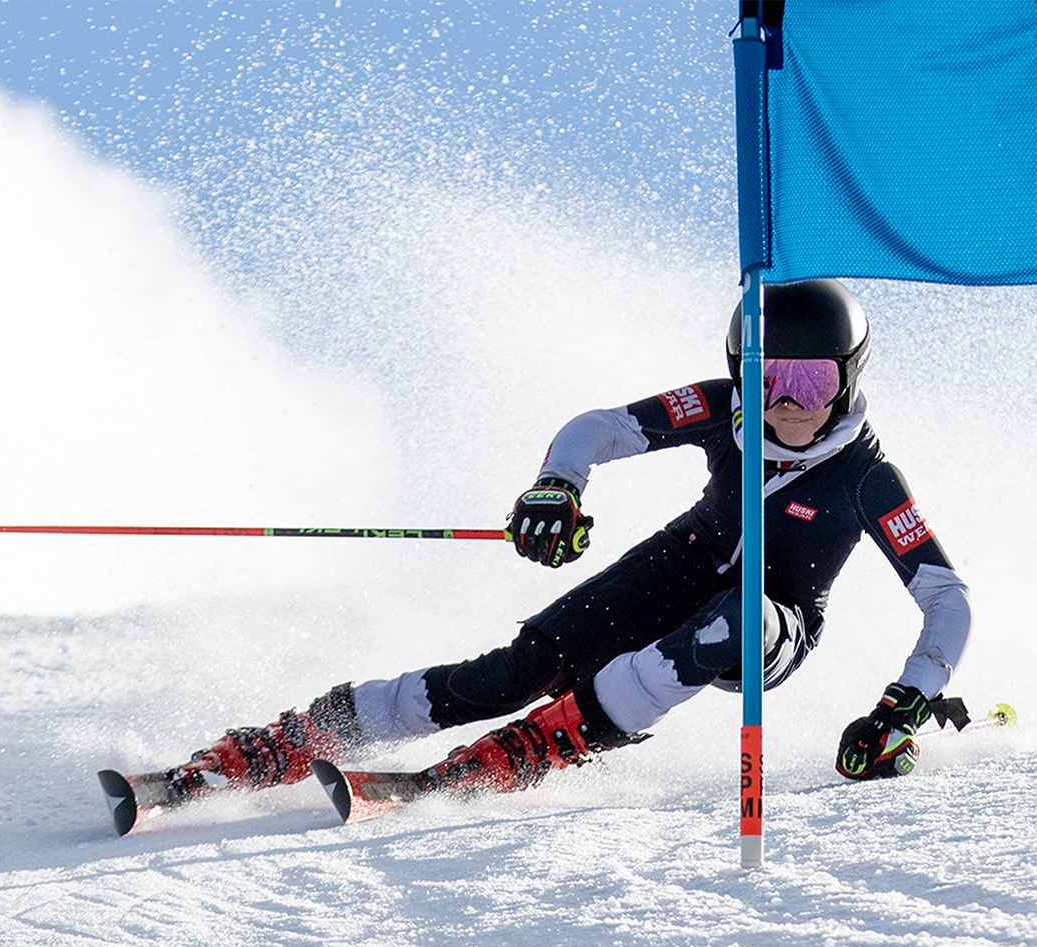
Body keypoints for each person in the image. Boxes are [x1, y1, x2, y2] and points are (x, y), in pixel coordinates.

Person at [172, 279, 972, 804]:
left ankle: (538, 745)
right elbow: (602, 428)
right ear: (741, 368)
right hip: (680, 562)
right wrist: (560, 485)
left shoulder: (866, 476)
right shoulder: (718, 406)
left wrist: (904, 703)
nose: (789, 405)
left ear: (850, 378)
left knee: (732, 620)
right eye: (768, 380)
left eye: (815, 383)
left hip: (777, 620)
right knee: (513, 669)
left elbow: (946, 598)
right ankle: (288, 740)